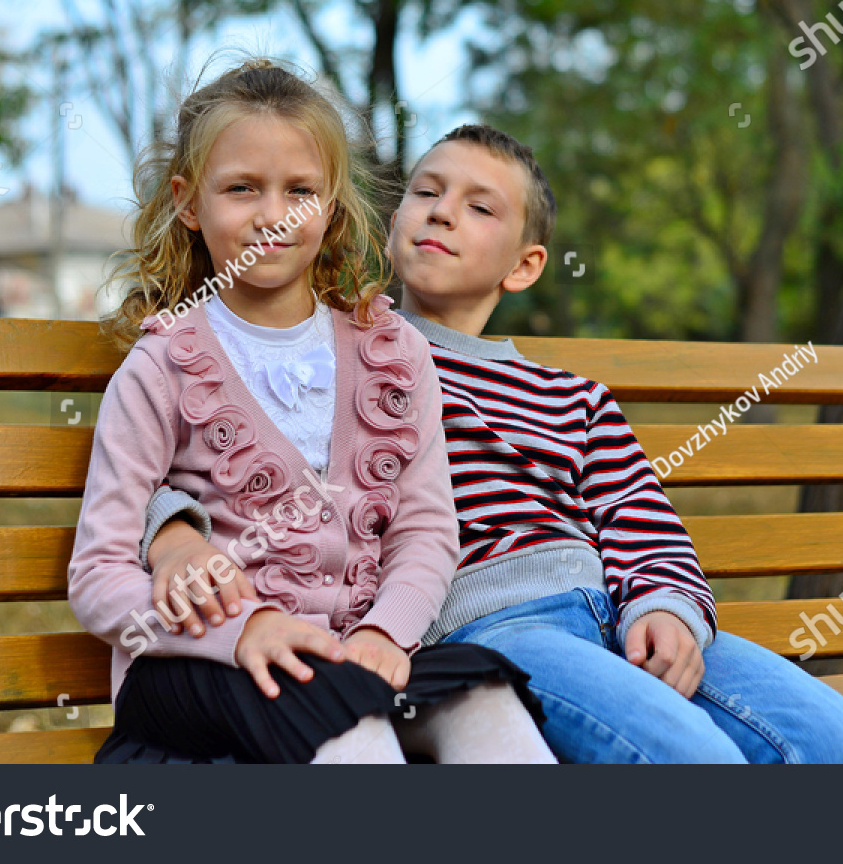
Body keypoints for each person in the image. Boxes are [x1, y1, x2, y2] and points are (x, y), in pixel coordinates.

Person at [143, 122, 843, 764]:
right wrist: (174, 531)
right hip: (487, 628)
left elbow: (639, 516)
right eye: (427, 192)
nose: (441, 214)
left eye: (478, 207)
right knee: (694, 758)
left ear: (526, 264)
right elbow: (209, 438)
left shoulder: (574, 395)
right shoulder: (346, 349)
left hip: (612, 611)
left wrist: (666, 605)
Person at [67, 63, 554, 764]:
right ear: (188, 201)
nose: (274, 213)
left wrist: (386, 632)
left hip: (348, 651)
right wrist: (244, 628)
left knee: (486, 701)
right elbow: (98, 574)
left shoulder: (393, 353)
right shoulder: (164, 367)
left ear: (330, 205)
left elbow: (425, 527)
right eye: (242, 188)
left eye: (300, 190)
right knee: (351, 726)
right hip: (199, 664)